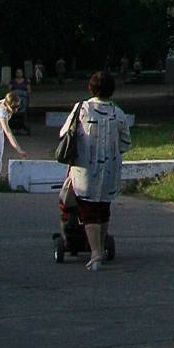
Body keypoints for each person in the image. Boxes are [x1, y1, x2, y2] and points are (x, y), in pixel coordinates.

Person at [55, 72, 130, 272]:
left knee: (88, 212)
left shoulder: (82, 109)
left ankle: (95, 254)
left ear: (91, 88)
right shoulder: (118, 113)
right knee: (103, 209)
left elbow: (64, 133)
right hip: (110, 170)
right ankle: (102, 246)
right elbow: (125, 143)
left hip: (84, 169)